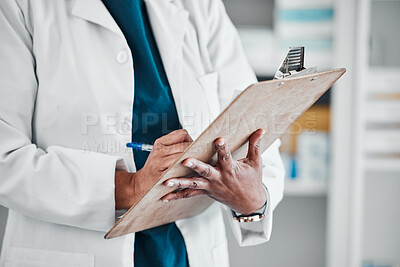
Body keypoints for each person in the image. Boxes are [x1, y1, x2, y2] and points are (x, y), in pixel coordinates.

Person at [0, 0, 285, 266]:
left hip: (187, 252)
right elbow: (5, 158)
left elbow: (254, 122)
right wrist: (130, 187)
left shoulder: (200, 5)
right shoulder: (21, 7)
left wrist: (253, 199)